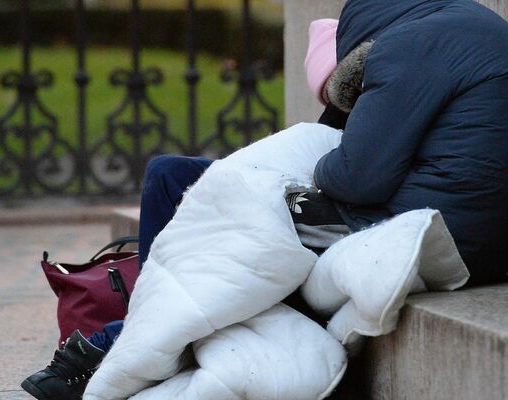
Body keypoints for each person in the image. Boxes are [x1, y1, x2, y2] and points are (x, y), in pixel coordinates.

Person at [25, 0, 508, 395]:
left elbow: (356, 178)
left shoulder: (408, 48)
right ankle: (136, 324)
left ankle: (113, 343)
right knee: (180, 179)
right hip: (473, 229)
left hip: (437, 229)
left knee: (235, 233)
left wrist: (314, 166)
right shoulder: (453, 33)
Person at [21, 19, 348, 400]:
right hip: (301, 187)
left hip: (324, 214)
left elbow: (360, 177)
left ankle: (130, 337)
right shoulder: (369, 82)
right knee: (168, 172)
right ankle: (144, 321)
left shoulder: (402, 72)